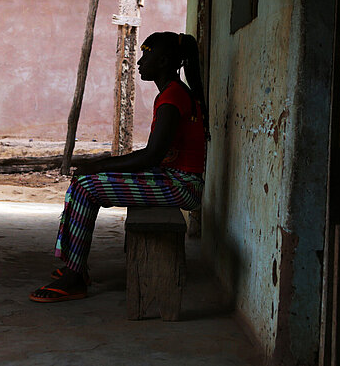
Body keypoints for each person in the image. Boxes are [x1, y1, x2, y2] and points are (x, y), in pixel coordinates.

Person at [29, 31, 208, 303]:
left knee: (87, 186)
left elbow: (150, 157)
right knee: (83, 182)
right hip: (173, 178)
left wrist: (99, 164)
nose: (139, 62)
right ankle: (74, 267)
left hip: (182, 186)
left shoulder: (173, 97)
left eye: (147, 54)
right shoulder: (174, 93)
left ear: (164, 61)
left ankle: (76, 276)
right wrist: (100, 166)